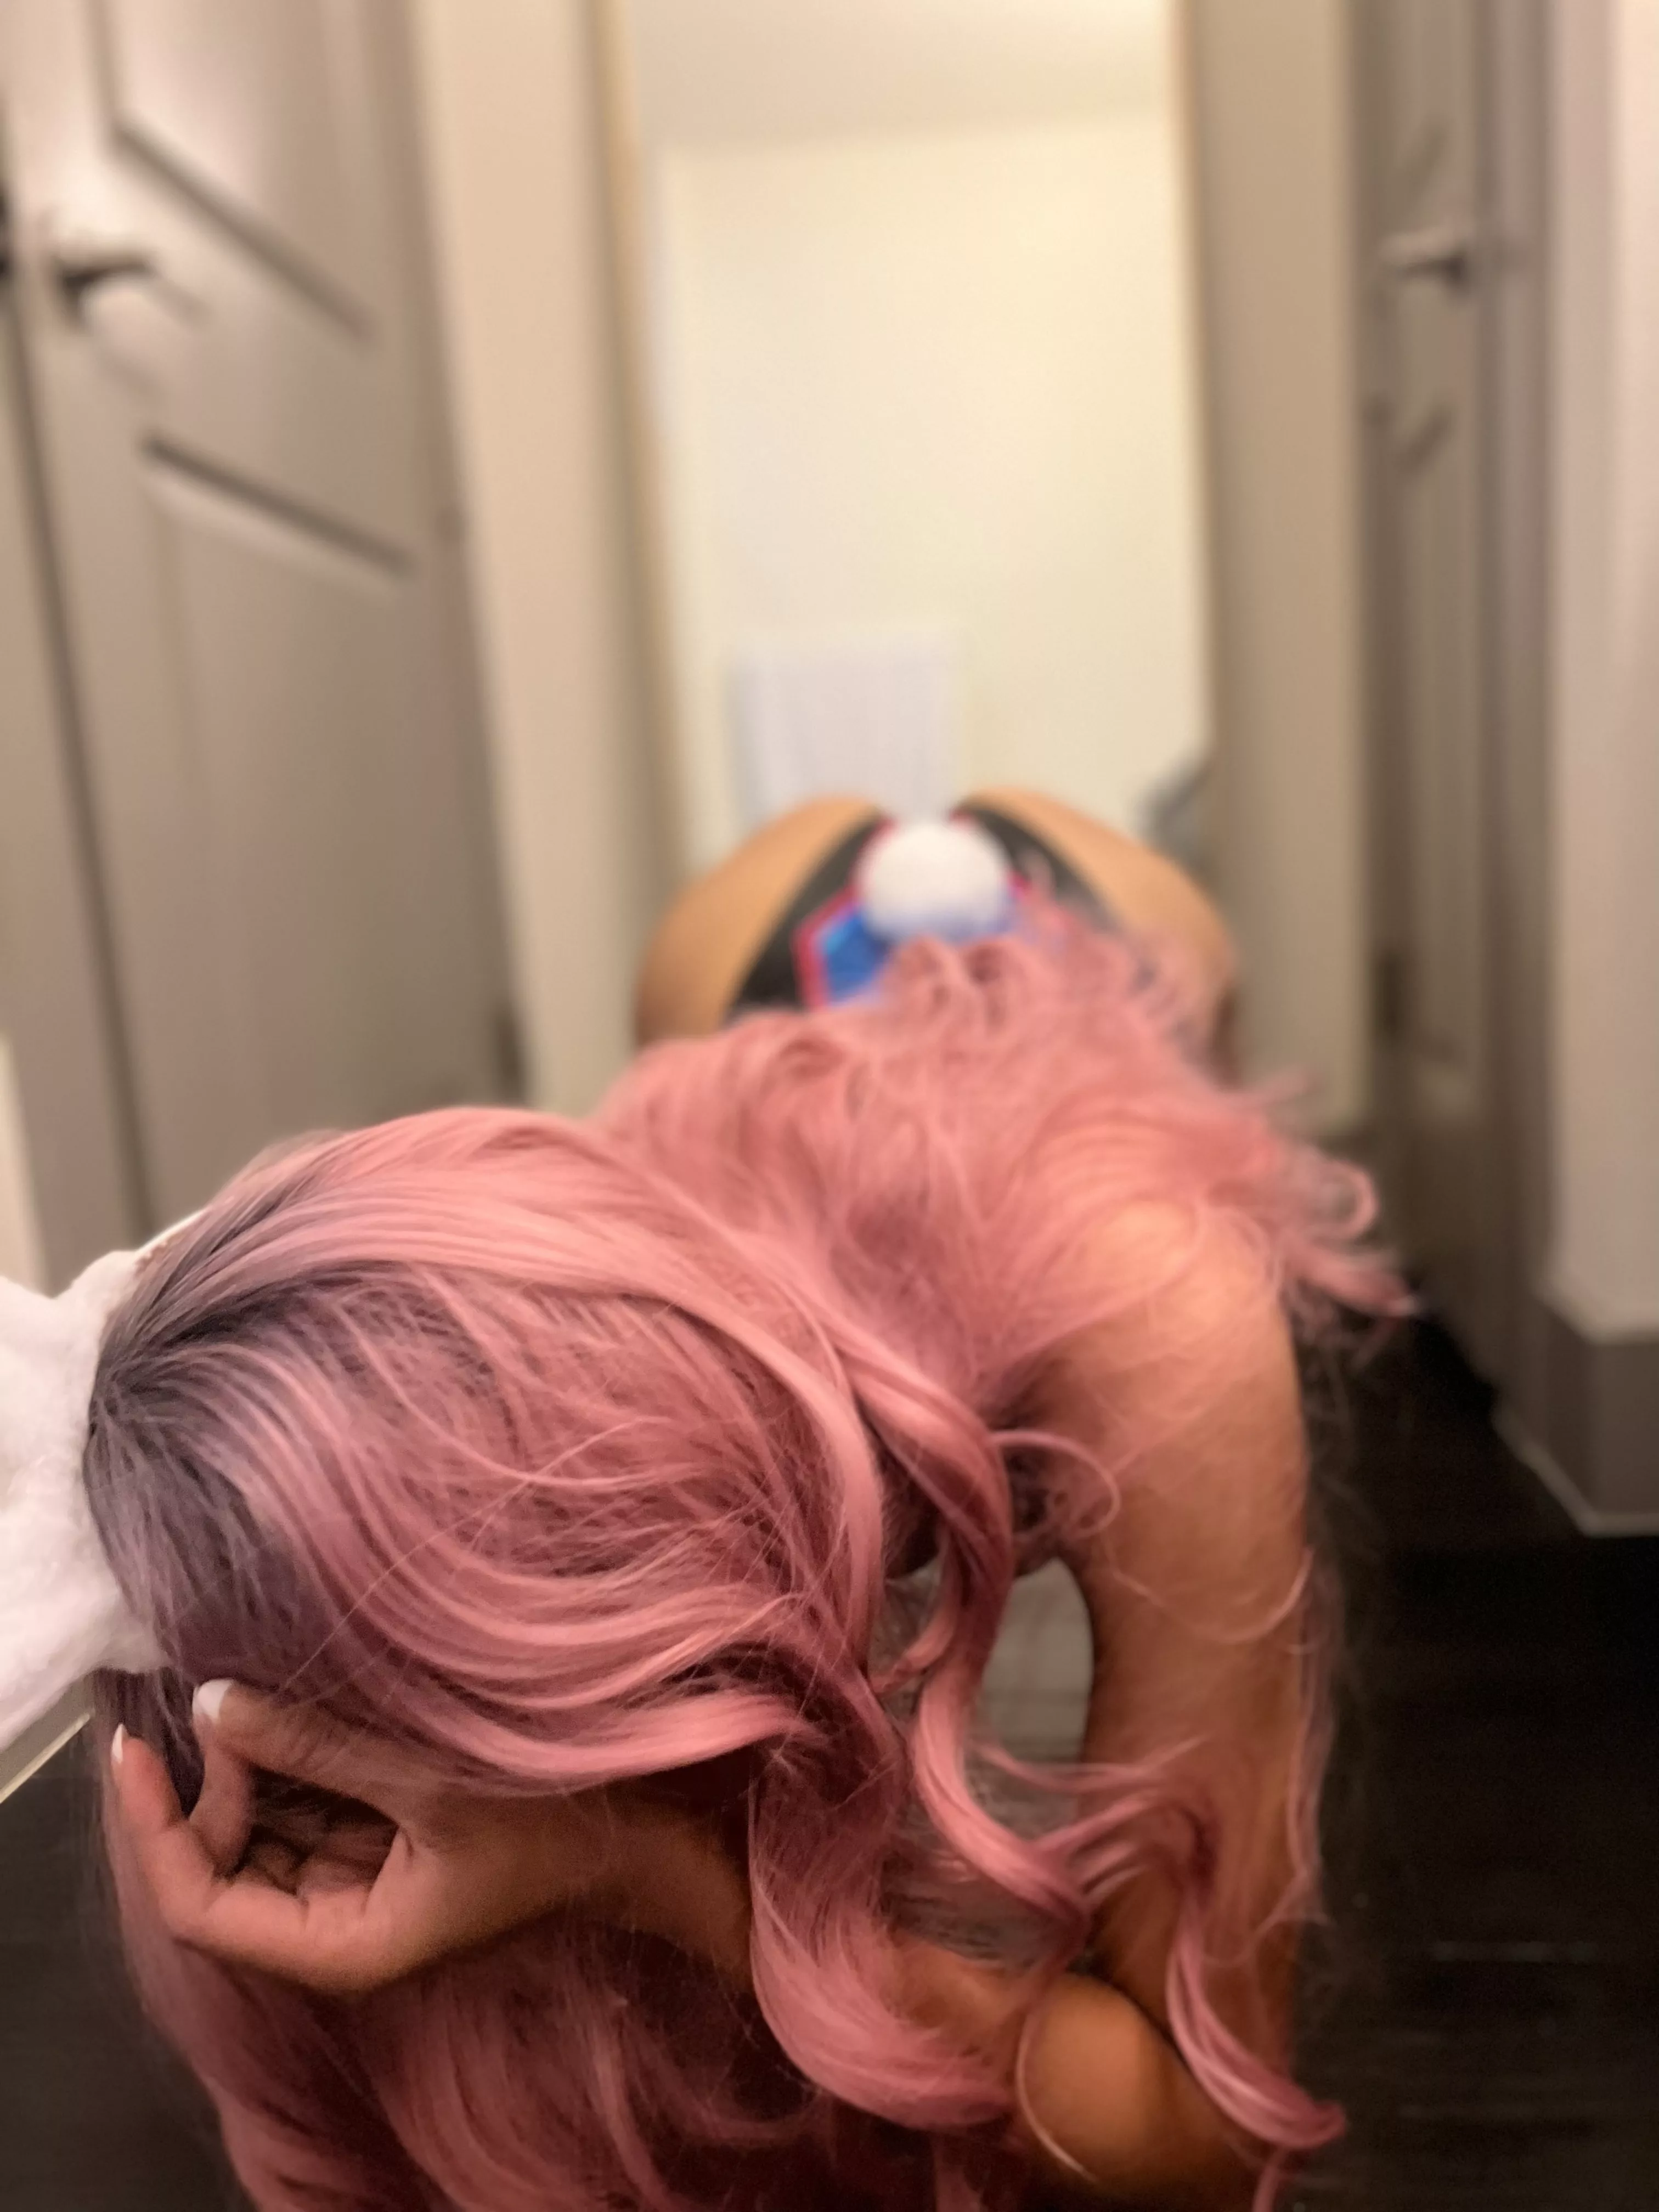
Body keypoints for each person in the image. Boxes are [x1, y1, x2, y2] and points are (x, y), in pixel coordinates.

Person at [76, 791, 1395, 2211]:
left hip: (1088, 953)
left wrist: (667, 1884)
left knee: (1194, 1115)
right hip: (748, 965)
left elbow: (1210, 2142)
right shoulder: (566, 1322)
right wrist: (645, 1879)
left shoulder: (1160, 1322)